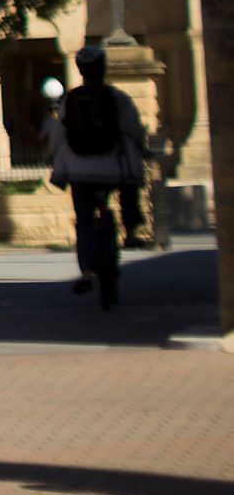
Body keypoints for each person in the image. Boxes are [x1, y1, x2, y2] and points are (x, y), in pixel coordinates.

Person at [52, 44, 151, 308]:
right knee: (130, 187)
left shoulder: (70, 100)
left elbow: (59, 135)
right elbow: (132, 129)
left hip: (79, 170)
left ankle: (85, 270)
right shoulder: (116, 98)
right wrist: (142, 149)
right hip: (112, 168)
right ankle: (131, 228)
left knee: (84, 220)